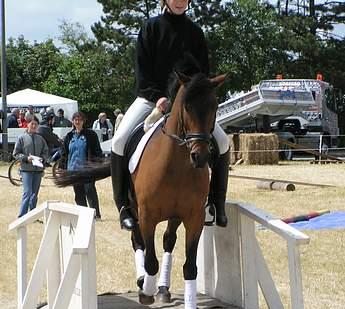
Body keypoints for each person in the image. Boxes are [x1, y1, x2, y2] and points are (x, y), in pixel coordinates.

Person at [111, 0, 230, 231]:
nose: (180, 2)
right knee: (118, 141)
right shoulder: (150, 28)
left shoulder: (195, 32)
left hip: (188, 103)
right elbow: (142, 72)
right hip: (151, 100)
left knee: (223, 142)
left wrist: (191, 97)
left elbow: (202, 74)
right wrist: (158, 97)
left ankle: (216, 203)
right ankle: (123, 207)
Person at [60, 112, 103, 219]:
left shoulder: (91, 135)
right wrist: (62, 168)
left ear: (83, 121)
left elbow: (97, 151)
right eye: (75, 120)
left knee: (89, 191)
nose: (77, 122)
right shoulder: (69, 136)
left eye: (79, 119)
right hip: (73, 170)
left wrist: (96, 165)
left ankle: (95, 214)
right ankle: (83, 213)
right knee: (78, 193)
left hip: (87, 169)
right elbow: (64, 153)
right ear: (73, 121)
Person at [13, 116, 49, 217]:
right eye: (32, 123)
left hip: (38, 170)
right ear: (27, 124)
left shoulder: (40, 138)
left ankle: (32, 215)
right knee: (27, 193)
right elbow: (16, 153)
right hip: (26, 170)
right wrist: (25, 158)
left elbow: (45, 152)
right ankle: (22, 216)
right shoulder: (21, 138)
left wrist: (43, 159)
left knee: (34, 195)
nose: (33, 126)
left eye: (35, 124)